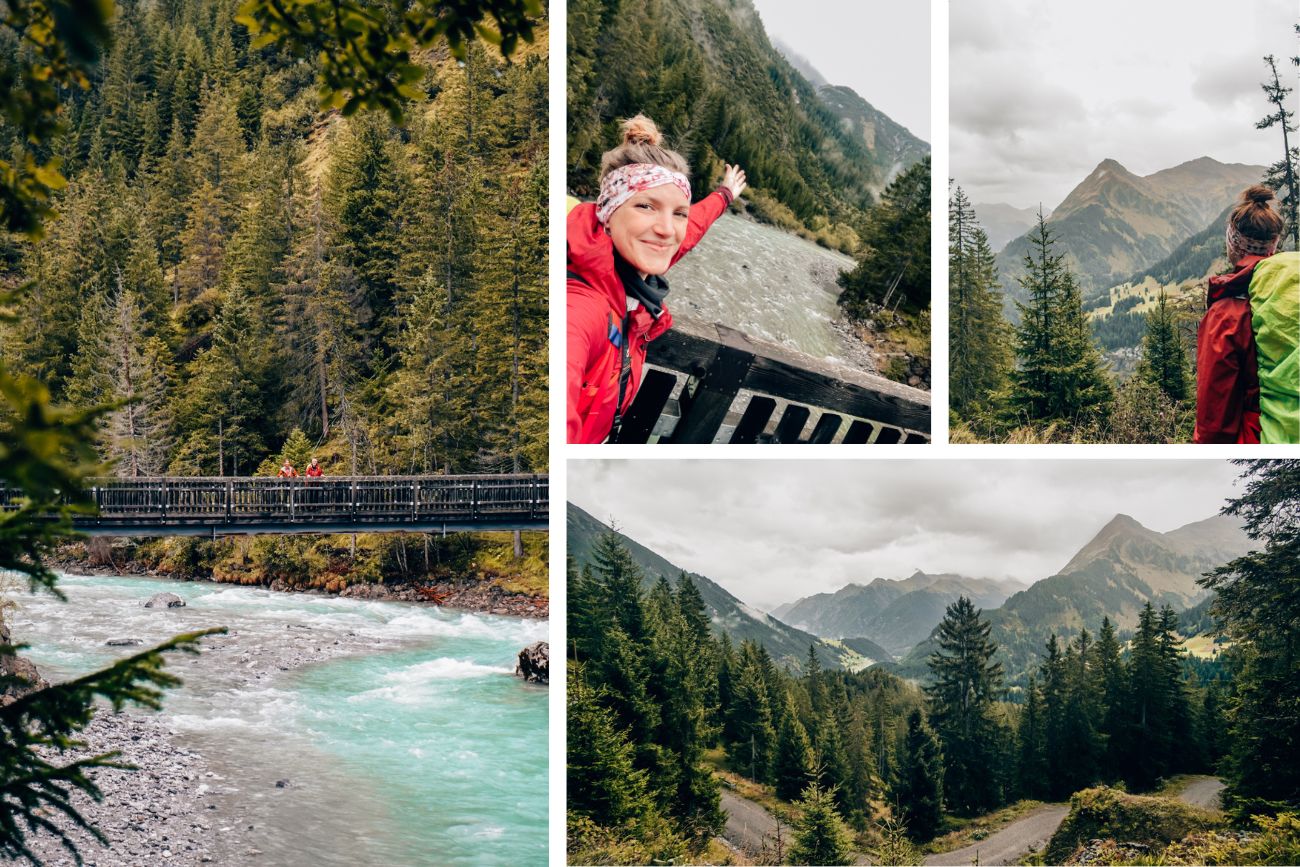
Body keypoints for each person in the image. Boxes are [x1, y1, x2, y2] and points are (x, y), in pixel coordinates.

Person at [567, 114, 747, 443]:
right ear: (609, 213)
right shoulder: (580, 306)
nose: (666, 230)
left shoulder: (637, 268)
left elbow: (692, 228)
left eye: (678, 212)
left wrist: (725, 193)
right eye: (646, 206)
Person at [1194, 184, 1298, 444]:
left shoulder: (1227, 313)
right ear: (1272, 248)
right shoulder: (1291, 291)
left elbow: (1214, 420)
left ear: (1234, 244)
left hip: (1262, 434)